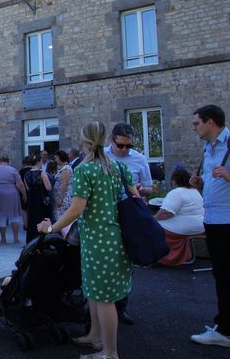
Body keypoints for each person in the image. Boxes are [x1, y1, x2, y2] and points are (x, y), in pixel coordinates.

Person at [37, 121, 136, 359]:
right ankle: (95, 336)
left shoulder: (84, 169)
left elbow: (75, 210)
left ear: (85, 141)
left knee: (103, 298)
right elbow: (134, 195)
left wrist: (50, 227)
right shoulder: (117, 167)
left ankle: (109, 352)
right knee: (93, 291)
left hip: (98, 240)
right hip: (112, 238)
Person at [189, 104, 230, 348]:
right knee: (222, 276)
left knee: (225, 276)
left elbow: (225, 176)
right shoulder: (208, 147)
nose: (194, 127)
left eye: (197, 123)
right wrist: (201, 181)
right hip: (213, 219)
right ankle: (225, 325)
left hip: (227, 221)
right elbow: (216, 180)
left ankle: (225, 331)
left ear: (210, 122)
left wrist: (227, 175)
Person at [104, 122, 152, 325]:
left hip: (128, 217)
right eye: (120, 145)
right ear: (111, 140)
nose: (124, 150)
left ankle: (120, 307)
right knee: (103, 263)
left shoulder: (139, 159)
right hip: (104, 217)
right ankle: (99, 305)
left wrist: (139, 190)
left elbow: (149, 188)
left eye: (128, 146)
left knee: (125, 263)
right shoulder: (101, 157)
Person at [154, 168, 204, 266]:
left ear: (174, 180)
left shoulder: (176, 193)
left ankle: (156, 257)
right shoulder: (195, 191)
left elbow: (166, 213)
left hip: (183, 229)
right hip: (200, 228)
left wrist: (152, 219)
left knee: (150, 227)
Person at [0, 155, 26, 245]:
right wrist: (24, 195)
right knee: (14, 217)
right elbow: (20, 184)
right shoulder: (13, 170)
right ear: (8, 161)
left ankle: (3, 239)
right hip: (11, 193)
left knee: (1, 217)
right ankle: (16, 239)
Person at [23, 153, 53, 243]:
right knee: (42, 218)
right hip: (41, 199)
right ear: (39, 162)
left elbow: (27, 188)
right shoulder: (42, 173)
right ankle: (43, 239)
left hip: (31, 199)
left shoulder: (26, 174)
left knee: (32, 220)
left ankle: (31, 240)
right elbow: (49, 187)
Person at [52, 150, 73, 221]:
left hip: (64, 197)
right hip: (62, 196)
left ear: (61, 158)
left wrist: (60, 198)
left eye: (56, 158)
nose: (55, 160)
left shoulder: (65, 169)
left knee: (61, 219)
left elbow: (64, 184)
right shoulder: (64, 168)